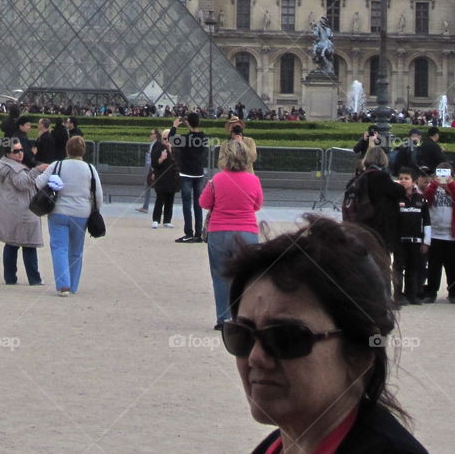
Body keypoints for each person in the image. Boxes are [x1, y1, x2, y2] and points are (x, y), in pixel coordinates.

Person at [223, 215, 427, 454]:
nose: (256, 357)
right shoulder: (272, 448)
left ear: (360, 352)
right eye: (242, 335)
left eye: (285, 338)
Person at [198, 141, 263, 330]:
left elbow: (204, 202)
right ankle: (242, 316)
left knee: (219, 276)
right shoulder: (254, 180)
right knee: (245, 277)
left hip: (219, 231)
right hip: (246, 231)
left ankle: (223, 318)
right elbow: (257, 206)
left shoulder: (217, 180)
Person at [37, 135, 102, 295]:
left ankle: (63, 285)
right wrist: (96, 211)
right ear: (84, 151)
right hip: (81, 213)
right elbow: (98, 194)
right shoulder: (90, 169)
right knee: (76, 251)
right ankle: (72, 285)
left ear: (67, 149)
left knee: (59, 248)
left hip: (58, 211)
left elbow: (39, 183)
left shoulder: (57, 165)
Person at [0, 138, 48, 285]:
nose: (20, 154)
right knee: (29, 244)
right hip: (22, 210)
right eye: (15, 151)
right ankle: (34, 278)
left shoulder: (3, 166)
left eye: (21, 150)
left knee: (11, 244)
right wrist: (38, 170)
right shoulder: (14, 169)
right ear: (7, 153)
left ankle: (10, 278)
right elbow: (23, 184)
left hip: (9, 210)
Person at [353, 145, 405, 252]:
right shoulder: (381, 176)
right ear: (383, 159)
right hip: (379, 224)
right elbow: (398, 191)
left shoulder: (360, 176)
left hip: (362, 222)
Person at [393, 167, 430, 305]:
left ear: (413, 182)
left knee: (413, 268)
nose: (403, 181)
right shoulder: (395, 199)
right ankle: (398, 295)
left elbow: (427, 221)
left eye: (406, 178)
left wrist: (426, 242)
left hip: (416, 241)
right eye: (401, 178)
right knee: (398, 268)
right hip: (399, 241)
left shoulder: (421, 199)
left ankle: (411, 295)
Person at [172, 112, 208, 243]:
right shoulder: (204, 137)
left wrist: (174, 126)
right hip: (199, 173)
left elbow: (171, 139)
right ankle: (198, 234)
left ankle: (188, 233)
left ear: (188, 123)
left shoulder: (185, 138)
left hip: (186, 173)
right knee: (198, 205)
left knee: (186, 204)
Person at [422, 165, 455, 303]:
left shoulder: (452, 186)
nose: (443, 177)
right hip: (435, 232)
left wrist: (450, 184)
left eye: (446, 174)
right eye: (440, 174)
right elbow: (425, 198)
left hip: (451, 234)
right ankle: (431, 292)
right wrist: (435, 184)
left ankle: (453, 292)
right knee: (433, 266)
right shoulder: (431, 187)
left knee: (452, 266)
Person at [149, 128, 180, 228]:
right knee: (160, 199)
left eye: (169, 138)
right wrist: (161, 159)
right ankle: (156, 219)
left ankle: (167, 220)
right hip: (161, 176)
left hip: (172, 177)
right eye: (165, 138)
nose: (167, 141)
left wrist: (171, 150)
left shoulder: (175, 147)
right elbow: (154, 162)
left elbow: (178, 163)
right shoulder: (157, 146)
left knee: (170, 199)